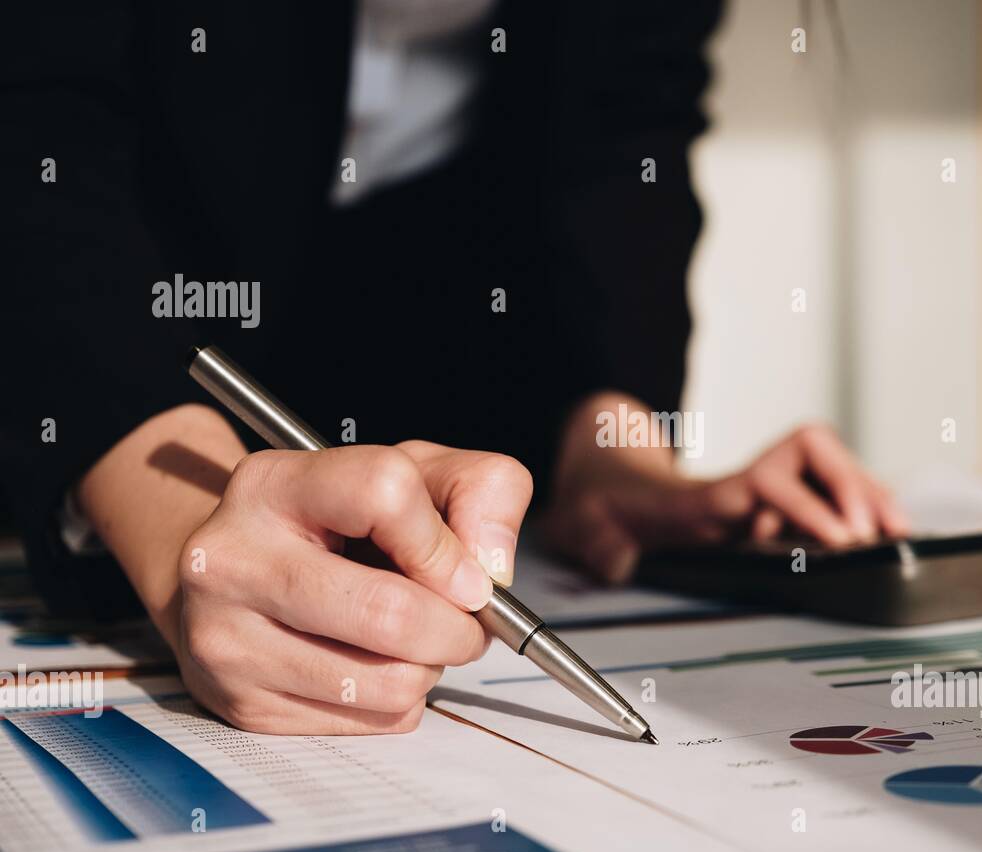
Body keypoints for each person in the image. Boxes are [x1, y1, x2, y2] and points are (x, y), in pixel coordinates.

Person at [0, 1, 906, 734]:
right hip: (107, 339)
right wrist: (178, 516)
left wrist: (615, 449)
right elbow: (35, 114)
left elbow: (626, 124)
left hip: (447, 371)